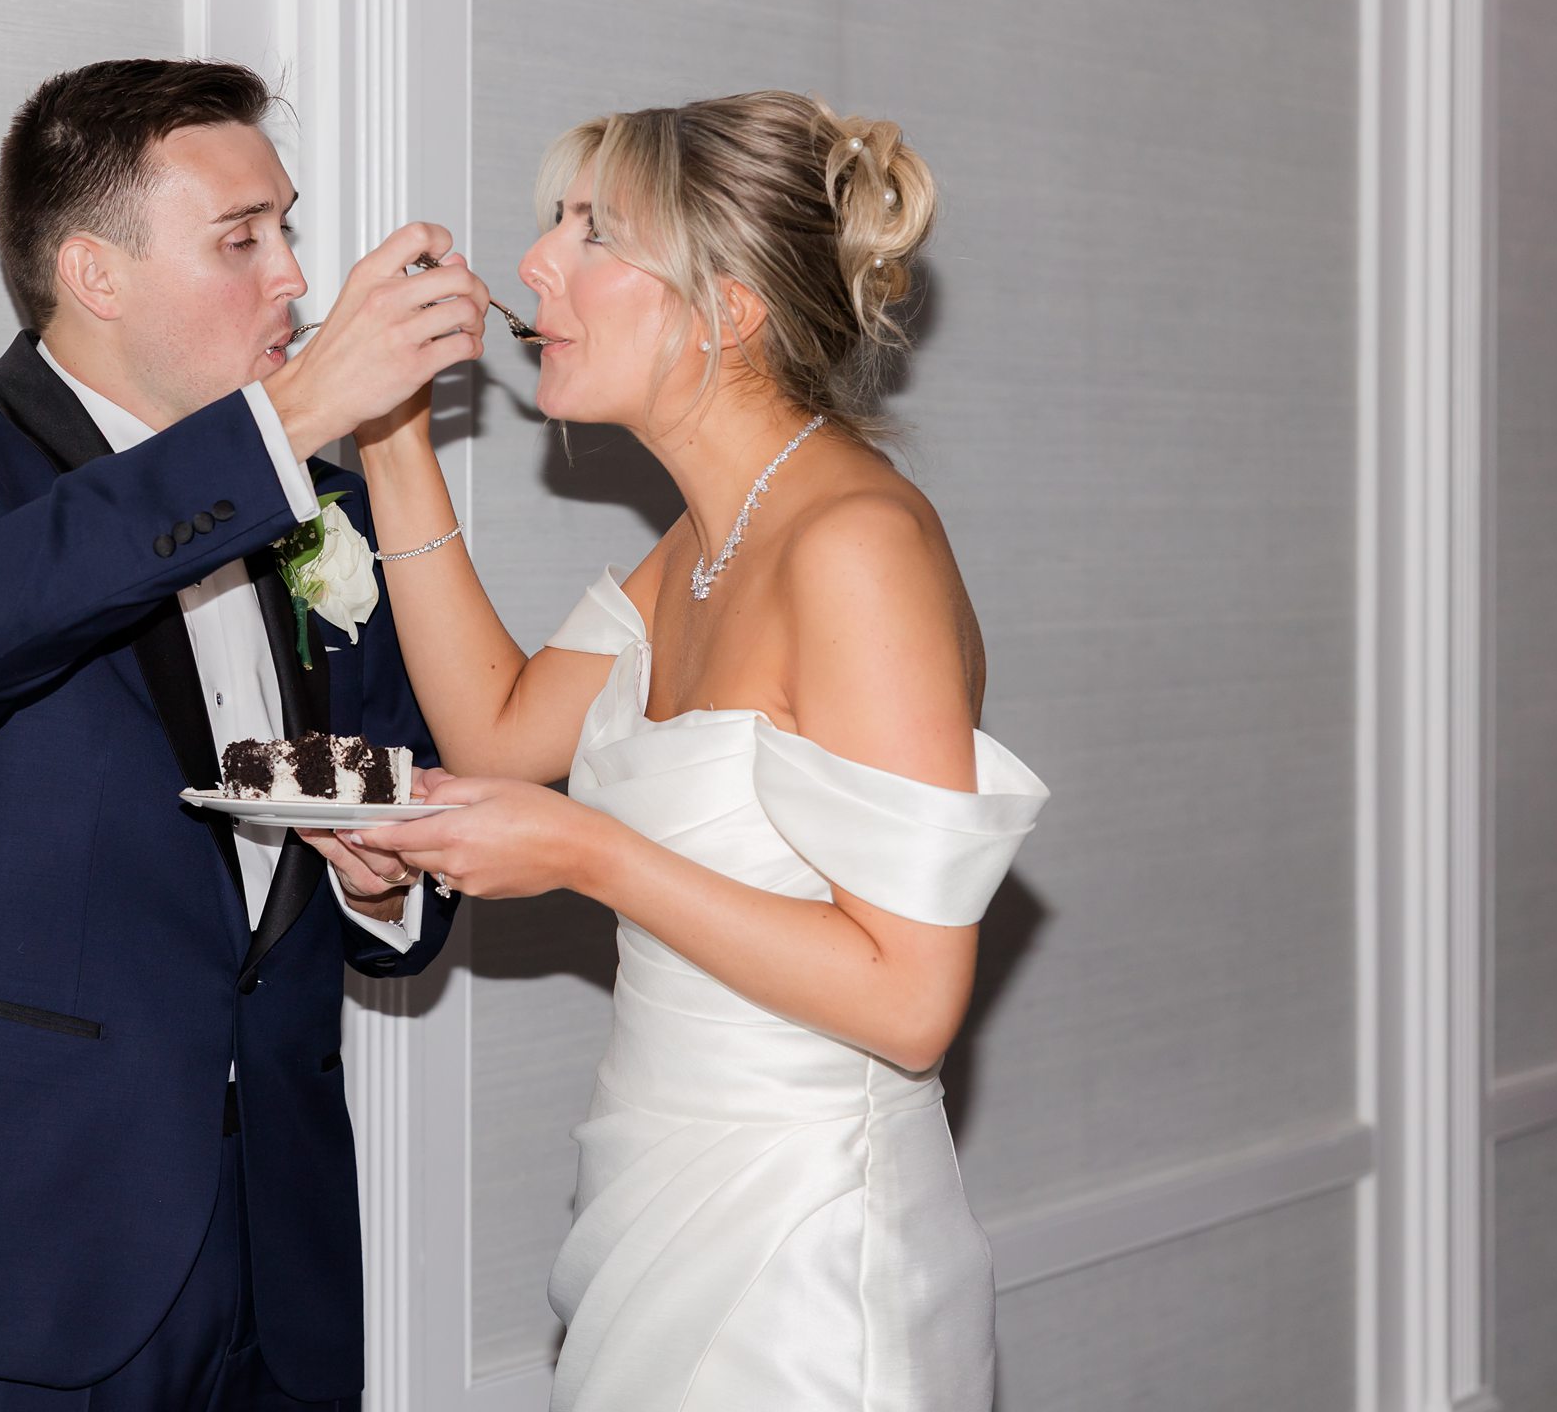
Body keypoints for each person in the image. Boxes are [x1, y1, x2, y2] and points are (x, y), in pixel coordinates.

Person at [0, 58, 484, 1411]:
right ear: (97, 276)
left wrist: (392, 882)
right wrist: (285, 426)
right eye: (244, 240)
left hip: (283, 1261)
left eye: (288, 227)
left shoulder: (318, 501)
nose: (295, 277)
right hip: (23, 1252)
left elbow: (390, 775)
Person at [335, 91, 1052, 1410]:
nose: (537, 262)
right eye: (552, 223)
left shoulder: (856, 544)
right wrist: (389, 445)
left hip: (811, 1258)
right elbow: (494, 728)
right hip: (657, 1203)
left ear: (726, 310)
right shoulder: (705, 544)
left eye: (592, 232)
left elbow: (909, 1001)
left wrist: (589, 856)